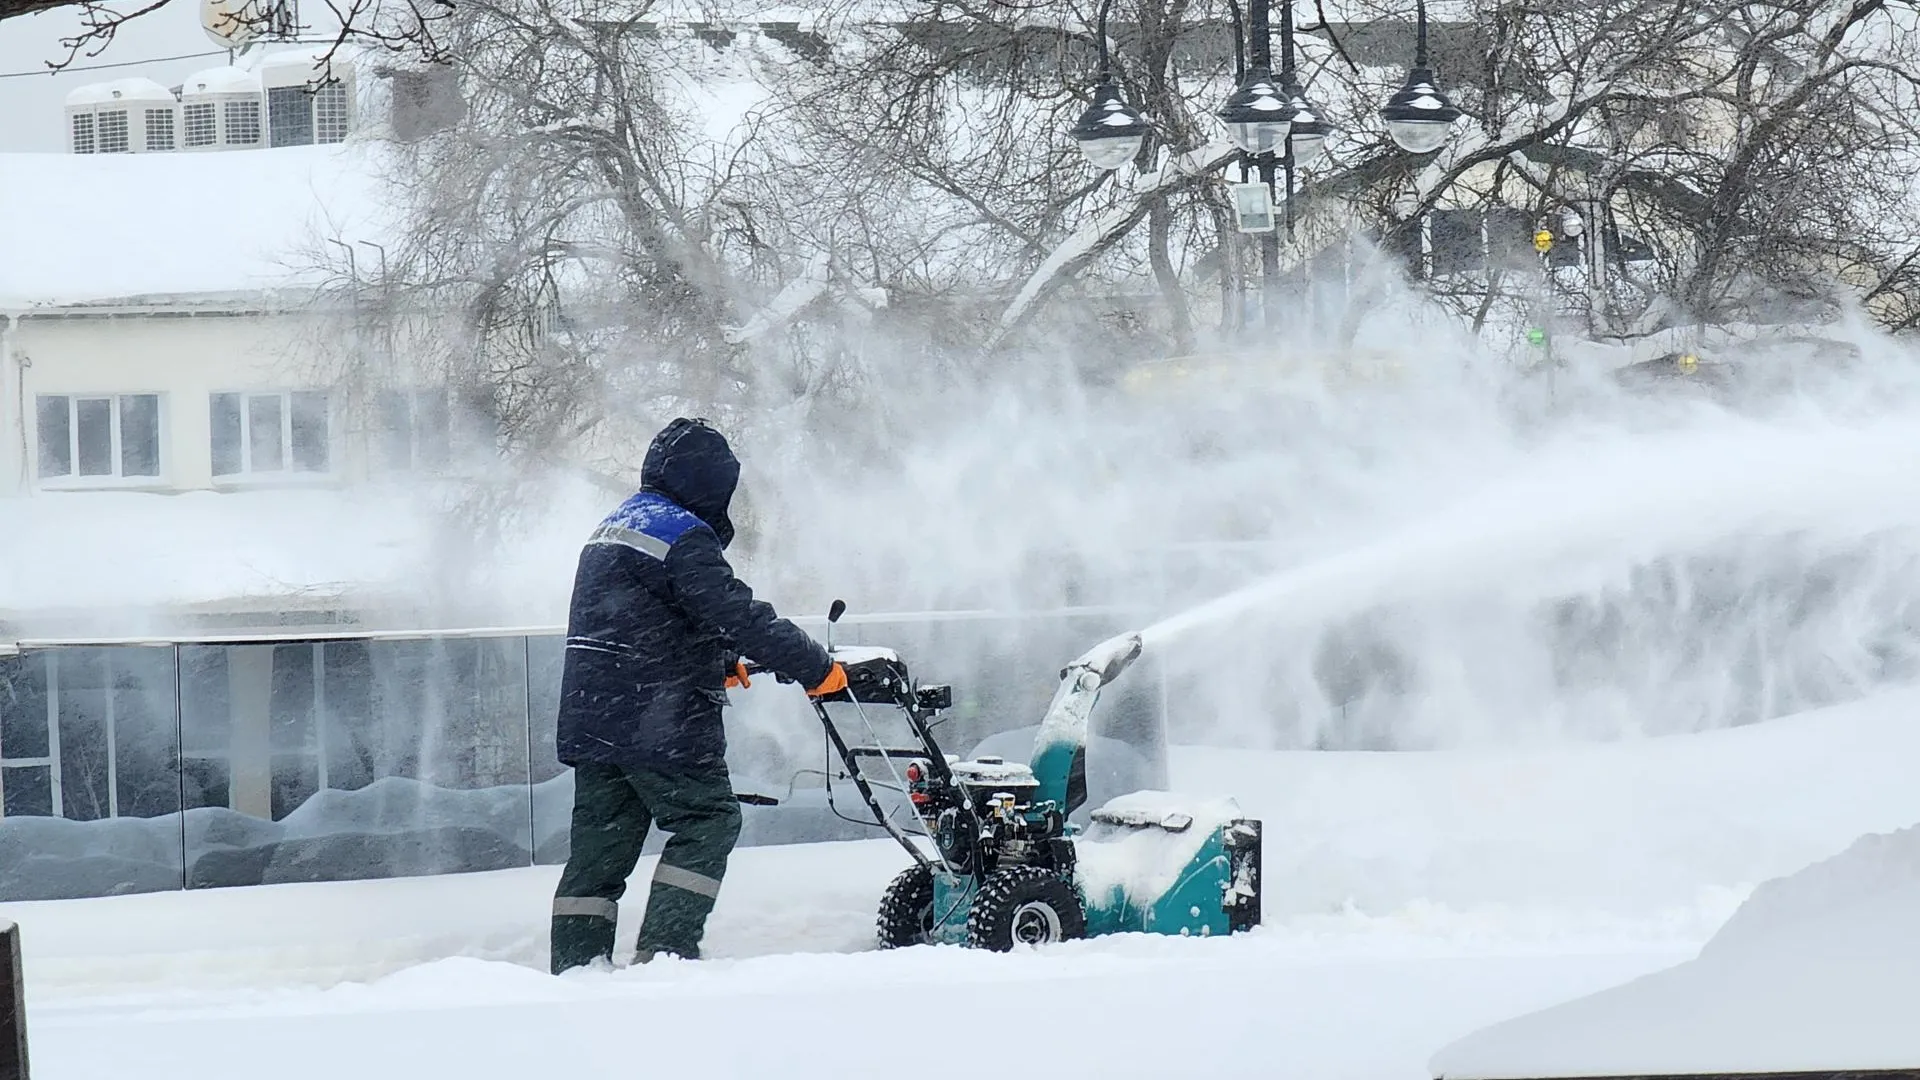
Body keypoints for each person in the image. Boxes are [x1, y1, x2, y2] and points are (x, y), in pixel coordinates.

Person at [549, 417, 846, 973]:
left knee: (600, 850)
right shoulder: (682, 534)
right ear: (708, 484)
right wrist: (815, 666)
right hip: (654, 717)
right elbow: (736, 611)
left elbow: (640, 619)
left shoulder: (615, 524)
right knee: (708, 820)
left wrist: (715, 657)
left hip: (595, 718)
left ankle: (574, 970)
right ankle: (666, 958)